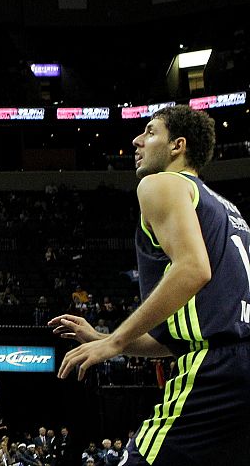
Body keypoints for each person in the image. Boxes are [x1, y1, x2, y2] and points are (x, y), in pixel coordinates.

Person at [51, 105, 250, 465]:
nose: (137, 140)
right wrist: (108, 339)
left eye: (150, 131)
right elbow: (178, 339)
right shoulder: (226, 209)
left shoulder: (161, 184)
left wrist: (115, 341)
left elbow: (192, 269)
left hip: (214, 370)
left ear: (178, 146)